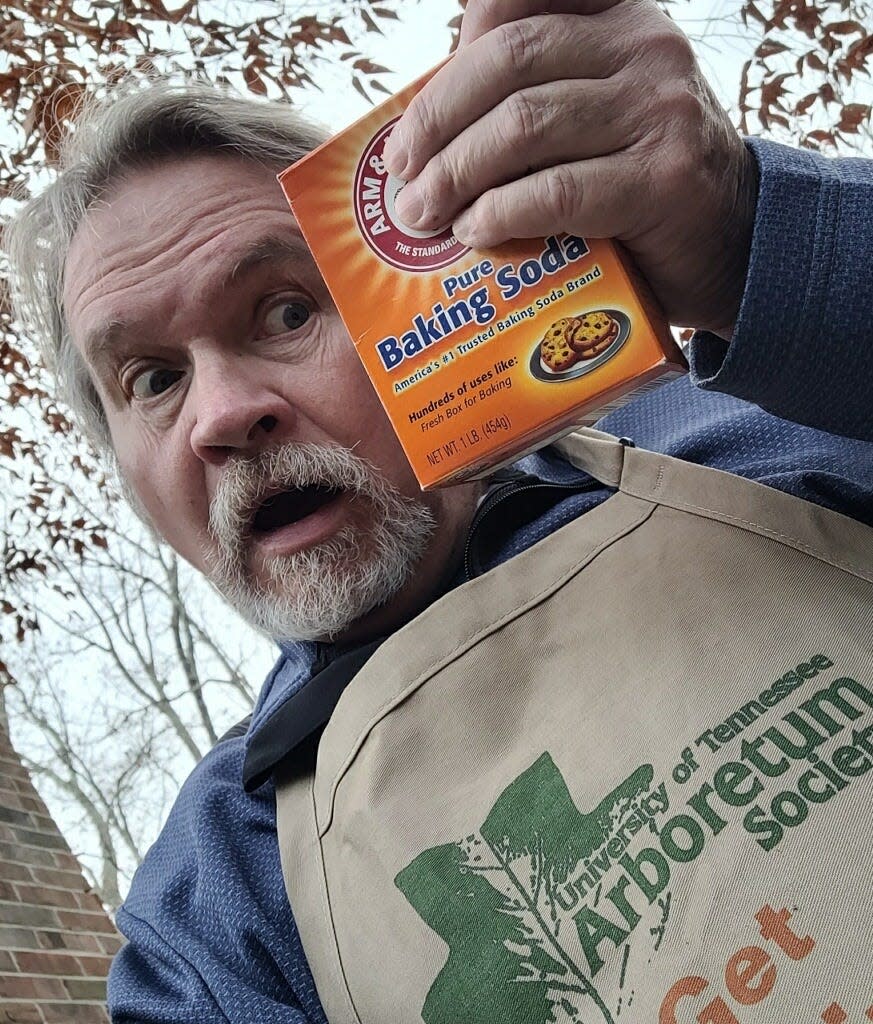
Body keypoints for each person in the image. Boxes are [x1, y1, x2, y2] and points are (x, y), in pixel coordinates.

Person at [6, 0, 872, 1020]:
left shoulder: (764, 407)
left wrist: (749, 230)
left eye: (285, 311)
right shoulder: (218, 912)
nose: (224, 416)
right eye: (151, 381)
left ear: (401, 308)